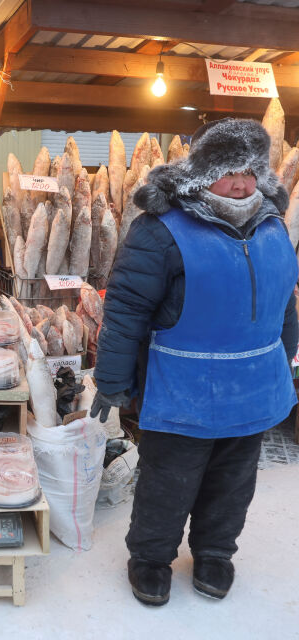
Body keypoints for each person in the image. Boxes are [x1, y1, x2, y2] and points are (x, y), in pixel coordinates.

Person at [91, 118, 298, 606]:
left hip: (251, 388)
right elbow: (125, 308)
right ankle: (150, 558)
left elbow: (283, 300)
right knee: (169, 482)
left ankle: (214, 554)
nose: (242, 182)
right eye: (231, 171)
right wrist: (113, 379)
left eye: (250, 171)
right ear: (205, 172)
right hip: (182, 389)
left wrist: (286, 359)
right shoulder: (160, 229)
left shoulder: (271, 224)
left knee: (233, 482)